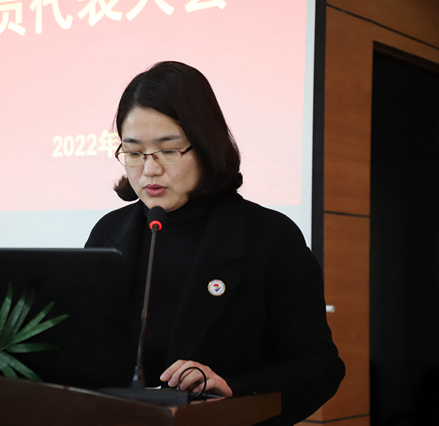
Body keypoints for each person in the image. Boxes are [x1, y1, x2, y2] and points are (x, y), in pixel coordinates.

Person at [85, 61, 345, 425]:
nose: (150, 169)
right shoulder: (107, 234)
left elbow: (319, 367)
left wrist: (234, 390)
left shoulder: (270, 237)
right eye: (134, 152)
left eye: (169, 150)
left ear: (206, 145)